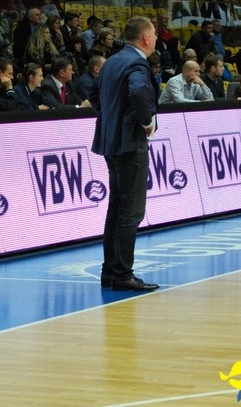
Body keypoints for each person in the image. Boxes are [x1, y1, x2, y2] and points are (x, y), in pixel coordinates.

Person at [86, 16, 159, 292]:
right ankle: (123, 274)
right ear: (145, 38)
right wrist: (145, 121)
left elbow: (91, 91)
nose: (154, 39)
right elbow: (139, 91)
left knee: (116, 208)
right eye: (153, 34)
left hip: (110, 141)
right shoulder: (136, 62)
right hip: (130, 142)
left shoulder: (111, 61)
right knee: (131, 211)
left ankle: (111, 273)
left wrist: (109, 118)